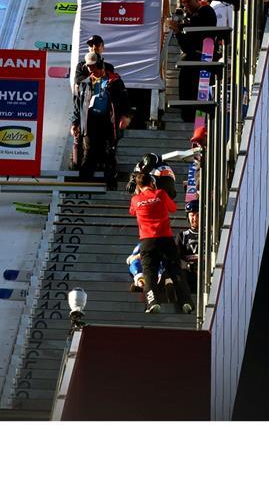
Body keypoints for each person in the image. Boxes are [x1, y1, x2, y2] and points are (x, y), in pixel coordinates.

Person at [129, 173, 191, 314]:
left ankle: (152, 302)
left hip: (147, 241)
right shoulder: (161, 193)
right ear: (152, 183)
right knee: (175, 271)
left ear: (138, 186)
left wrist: (139, 194)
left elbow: (132, 212)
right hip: (165, 239)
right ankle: (186, 301)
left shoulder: (135, 199)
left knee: (149, 274)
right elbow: (173, 208)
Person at [70, 51, 131, 189]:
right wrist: (75, 122)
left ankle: (110, 185)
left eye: (92, 65)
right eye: (88, 66)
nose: (90, 69)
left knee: (109, 152)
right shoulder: (85, 83)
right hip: (90, 121)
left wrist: (126, 115)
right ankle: (84, 186)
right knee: (89, 152)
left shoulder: (115, 81)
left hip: (109, 121)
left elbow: (125, 100)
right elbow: (77, 104)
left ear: (99, 64)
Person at [165, 0, 218, 122]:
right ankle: (189, 116)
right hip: (191, 59)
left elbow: (198, 38)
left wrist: (182, 29)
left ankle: (199, 117)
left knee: (198, 91)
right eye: (183, 2)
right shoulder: (190, 16)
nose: (186, 5)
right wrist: (179, 31)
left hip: (203, 58)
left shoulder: (206, 11)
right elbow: (187, 46)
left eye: (188, 1)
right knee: (186, 90)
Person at [177, 202, 201, 294]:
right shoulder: (182, 235)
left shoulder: (210, 235)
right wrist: (187, 265)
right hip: (188, 271)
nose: (194, 218)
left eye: (197, 215)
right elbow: (177, 257)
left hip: (204, 270)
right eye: (192, 215)